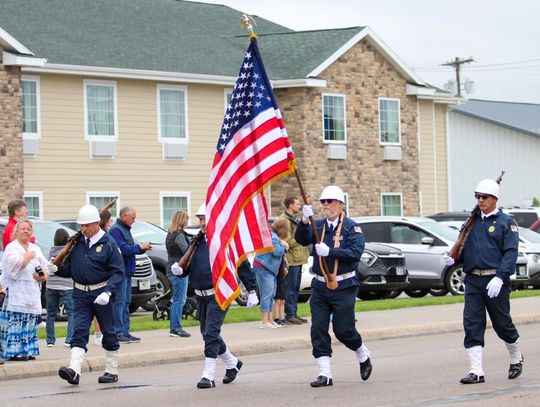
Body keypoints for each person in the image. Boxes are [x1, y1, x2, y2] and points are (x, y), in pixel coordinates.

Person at [443, 179, 523, 384]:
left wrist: (500, 277)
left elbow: (511, 253)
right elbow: (465, 250)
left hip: (495, 280)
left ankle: (515, 356)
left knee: (502, 324)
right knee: (472, 324)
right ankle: (476, 371)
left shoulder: (506, 222)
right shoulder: (471, 223)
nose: (480, 200)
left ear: (495, 199)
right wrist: (453, 258)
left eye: (484, 197)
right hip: (473, 281)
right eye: (477, 197)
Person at [171, 204, 259, 389]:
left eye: (205, 218)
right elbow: (190, 267)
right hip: (200, 295)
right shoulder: (196, 240)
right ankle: (232, 363)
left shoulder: (225, 239)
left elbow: (241, 265)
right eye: (200, 219)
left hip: (220, 293)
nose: (202, 222)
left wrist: (252, 290)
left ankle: (208, 375)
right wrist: (180, 270)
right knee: (207, 333)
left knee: (211, 332)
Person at [295, 185, 372, 387]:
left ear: (339, 203)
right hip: (320, 286)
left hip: (344, 285)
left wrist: (330, 252)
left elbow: (355, 252)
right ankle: (325, 373)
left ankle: (362, 353)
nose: (326, 205)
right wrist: (304, 221)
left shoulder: (351, 227)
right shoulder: (317, 226)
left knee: (343, 330)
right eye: (323, 202)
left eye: (330, 201)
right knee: (318, 329)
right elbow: (301, 240)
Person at [55, 204, 124, 385]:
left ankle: (111, 370)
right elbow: (69, 269)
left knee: (108, 331)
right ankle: (74, 370)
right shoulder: (77, 243)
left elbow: (118, 272)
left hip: (101, 292)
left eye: (87, 225)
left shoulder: (108, 243)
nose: (83, 229)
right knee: (79, 330)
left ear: (97, 223)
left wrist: (108, 292)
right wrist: (55, 268)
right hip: (80, 293)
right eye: (81, 226)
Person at [0, 218, 50, 361]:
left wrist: (41, 276)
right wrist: (27, 256)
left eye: (29, 229)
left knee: (28, 321)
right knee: (15, 321)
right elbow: (12, 269)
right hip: (15, 292)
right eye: (23, 228)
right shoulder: (12, 247)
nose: (26, 231)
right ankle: (14, 352)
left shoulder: (36, 248)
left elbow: (45, 268)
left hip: (31, 291)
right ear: (16, 232)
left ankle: (28, 350)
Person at [109, 206, 152, 344]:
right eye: (132, 218)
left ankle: (125, 332)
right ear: (124, 216)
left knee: (126, 302)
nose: (134, 221)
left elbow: (130, 249)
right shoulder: (116, 230)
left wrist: (142, 248)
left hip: (127, 271)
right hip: (120, 272)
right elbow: (122, 249)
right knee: (120, 302)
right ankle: (118, 332)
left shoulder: (124, 229)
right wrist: (139, 247)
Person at [279, 196, 310, 325]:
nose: (299, 206)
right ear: (290, 205)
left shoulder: (293, 220)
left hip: (298, 258)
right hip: (291, 259)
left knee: (296, 288)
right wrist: (301, 241)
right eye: (297, 204)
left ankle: (294, 313)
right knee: (290, 288)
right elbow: (286, 240)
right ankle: (290, 314)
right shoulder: (284, 221)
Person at [253, 219, 288, 329]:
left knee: (271, 293)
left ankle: (269, 320)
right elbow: (277, 252)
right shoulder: (272, 237)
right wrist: (285, 247)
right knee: (267, 294)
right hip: (264, 267)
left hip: (270, 269)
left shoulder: (272, 235)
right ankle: (264, 321)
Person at [165, 210, 191, 338]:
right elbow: (187, 252)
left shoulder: (169, 234)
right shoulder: (179, 236)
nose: (187, 222)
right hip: (178, 270)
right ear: (182, 221)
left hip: (170, 268)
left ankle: (174, 327)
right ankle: (175, 328)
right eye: (186, 220)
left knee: (177, 299)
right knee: (179, 300)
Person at [47, 228, 74, 348]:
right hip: (66, 285)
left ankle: (50, 341)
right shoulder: (68, 251)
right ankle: (69, 339)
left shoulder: (51, 251)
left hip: (51, 284)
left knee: (51, 313)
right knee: (71, 313)